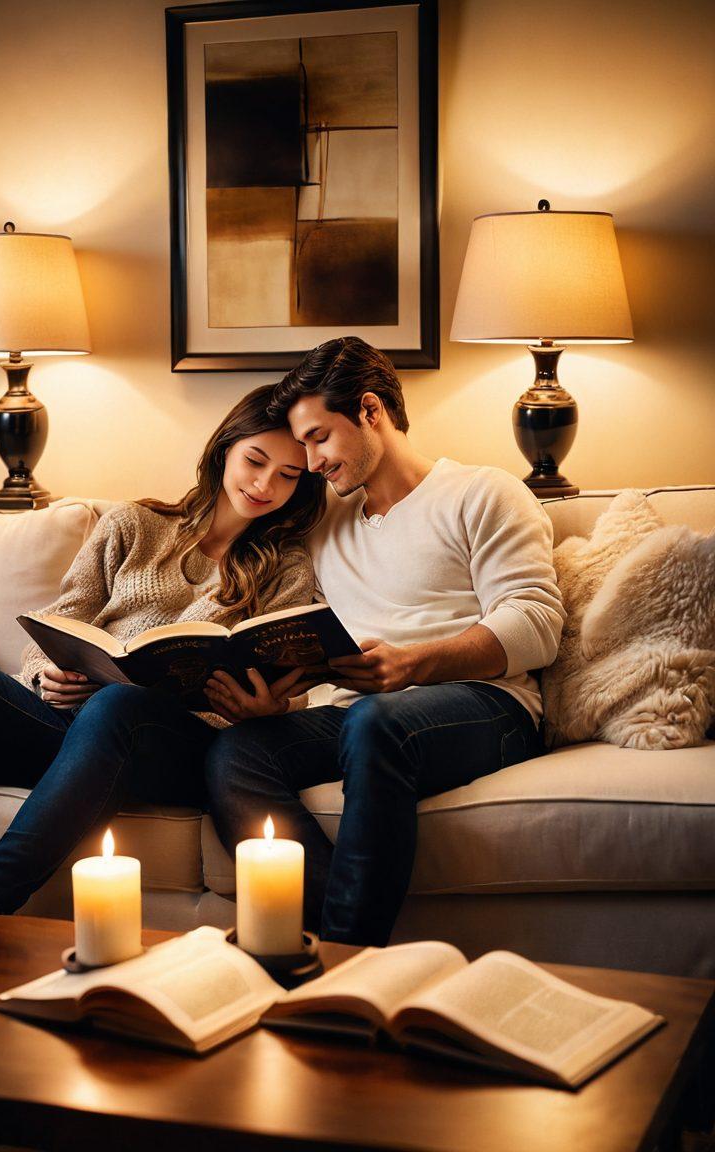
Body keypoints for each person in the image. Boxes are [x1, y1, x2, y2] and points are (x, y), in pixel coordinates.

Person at [0, 385, 325, 934]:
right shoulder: (134, 525)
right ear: (224, 447)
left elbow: (292, 680)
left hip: (173, 750)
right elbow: (56, 621)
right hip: (68, 733)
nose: (264, 484)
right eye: (255, 460)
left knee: (118, 705)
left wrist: (265, 708)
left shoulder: (286, 567)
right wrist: (47, 674)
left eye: (288, 475)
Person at [203, 337, 566, 947]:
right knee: (234, 753)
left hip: (485, 706)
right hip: (359, 713)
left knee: (377, 722)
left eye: (319, 437)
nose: (311, 462)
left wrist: (416, 664)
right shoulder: (322, 521)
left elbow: (536, 623)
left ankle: (350, 951)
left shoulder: (484, 492)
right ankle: (319, 941)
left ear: (371, 410)